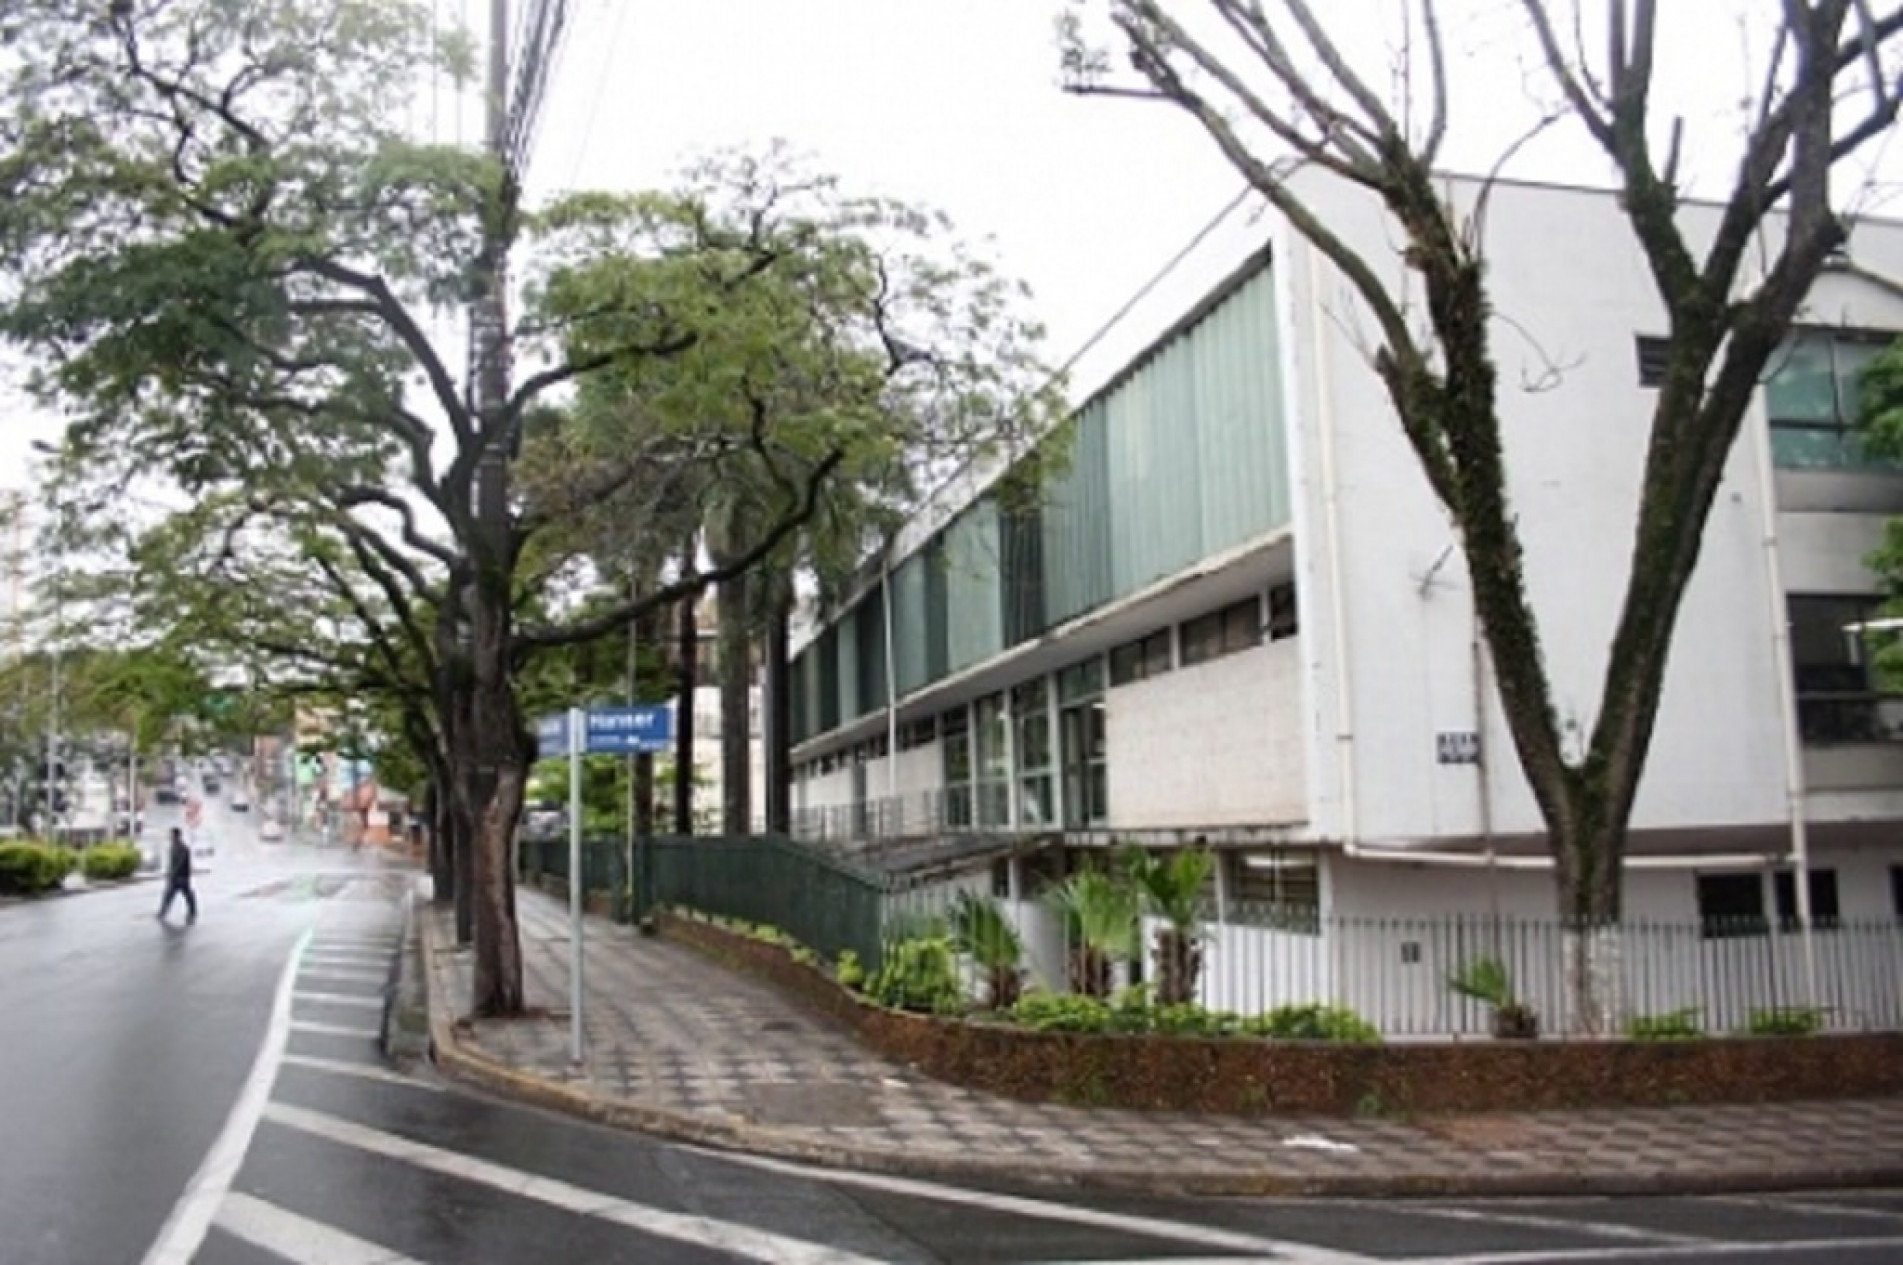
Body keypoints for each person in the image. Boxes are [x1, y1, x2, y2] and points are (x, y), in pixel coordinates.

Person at [157, 825, 197, 924]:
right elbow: (172, 863)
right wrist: (169, 873)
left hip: (181, 877)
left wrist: (173, 873)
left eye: (171, 835)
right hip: (176, 877)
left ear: (177, 836)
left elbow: (180, 863)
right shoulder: (173, 847)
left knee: (187, 895)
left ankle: (192, 912)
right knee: (169, 895)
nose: (170, 837)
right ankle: (163, 912)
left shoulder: (183, 848)